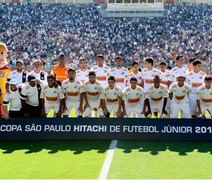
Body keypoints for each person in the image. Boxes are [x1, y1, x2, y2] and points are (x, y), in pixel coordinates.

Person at [0, 42, 11, 118]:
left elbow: (8, 80)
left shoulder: (7, 69)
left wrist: (7, 89)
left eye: (1, 53)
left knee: (4, 108)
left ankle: (5, 123)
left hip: (3, 92)